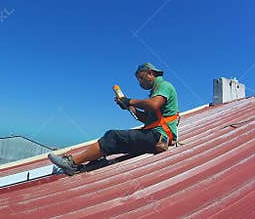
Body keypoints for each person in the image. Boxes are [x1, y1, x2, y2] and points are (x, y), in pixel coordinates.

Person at [48, 63, 179, 176]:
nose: (140, 82)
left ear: (150, 73)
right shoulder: (155, 92)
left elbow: (153, 104)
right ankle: (91, 160)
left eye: (141, 78)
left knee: (113, 136)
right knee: (115, 140)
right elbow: (147, 120)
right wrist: (130, 107)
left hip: (158, 136)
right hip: (154, 136)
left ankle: (71, 163)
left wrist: (130, 100)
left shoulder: (164, 86)